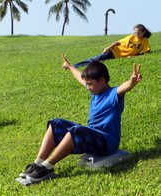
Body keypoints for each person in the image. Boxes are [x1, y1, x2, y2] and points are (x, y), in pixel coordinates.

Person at [19, 54, 142, 183]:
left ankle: (47, 168)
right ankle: (38, 163)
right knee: (56, 123)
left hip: (107, 142)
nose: (87, 87)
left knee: (76, 130)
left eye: (90, 84)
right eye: (87, 84)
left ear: (102, 80)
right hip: (92, 135)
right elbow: (80, 77)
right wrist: (70, 66)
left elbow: (124, 87)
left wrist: (132, 82)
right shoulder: (95, 91)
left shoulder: (113, 94)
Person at [73, 24, 151, 68]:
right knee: (96, 59)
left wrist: (133, 57)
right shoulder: (131, 37)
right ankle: (74, 66)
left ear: (143, 32)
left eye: (138, 33)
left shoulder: (145, 41)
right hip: (114, 51)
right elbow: (117, 43)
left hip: (118, 56)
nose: (136, 34)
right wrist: (108, 48)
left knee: (98, 62)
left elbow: (145, 54)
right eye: (135, 32)